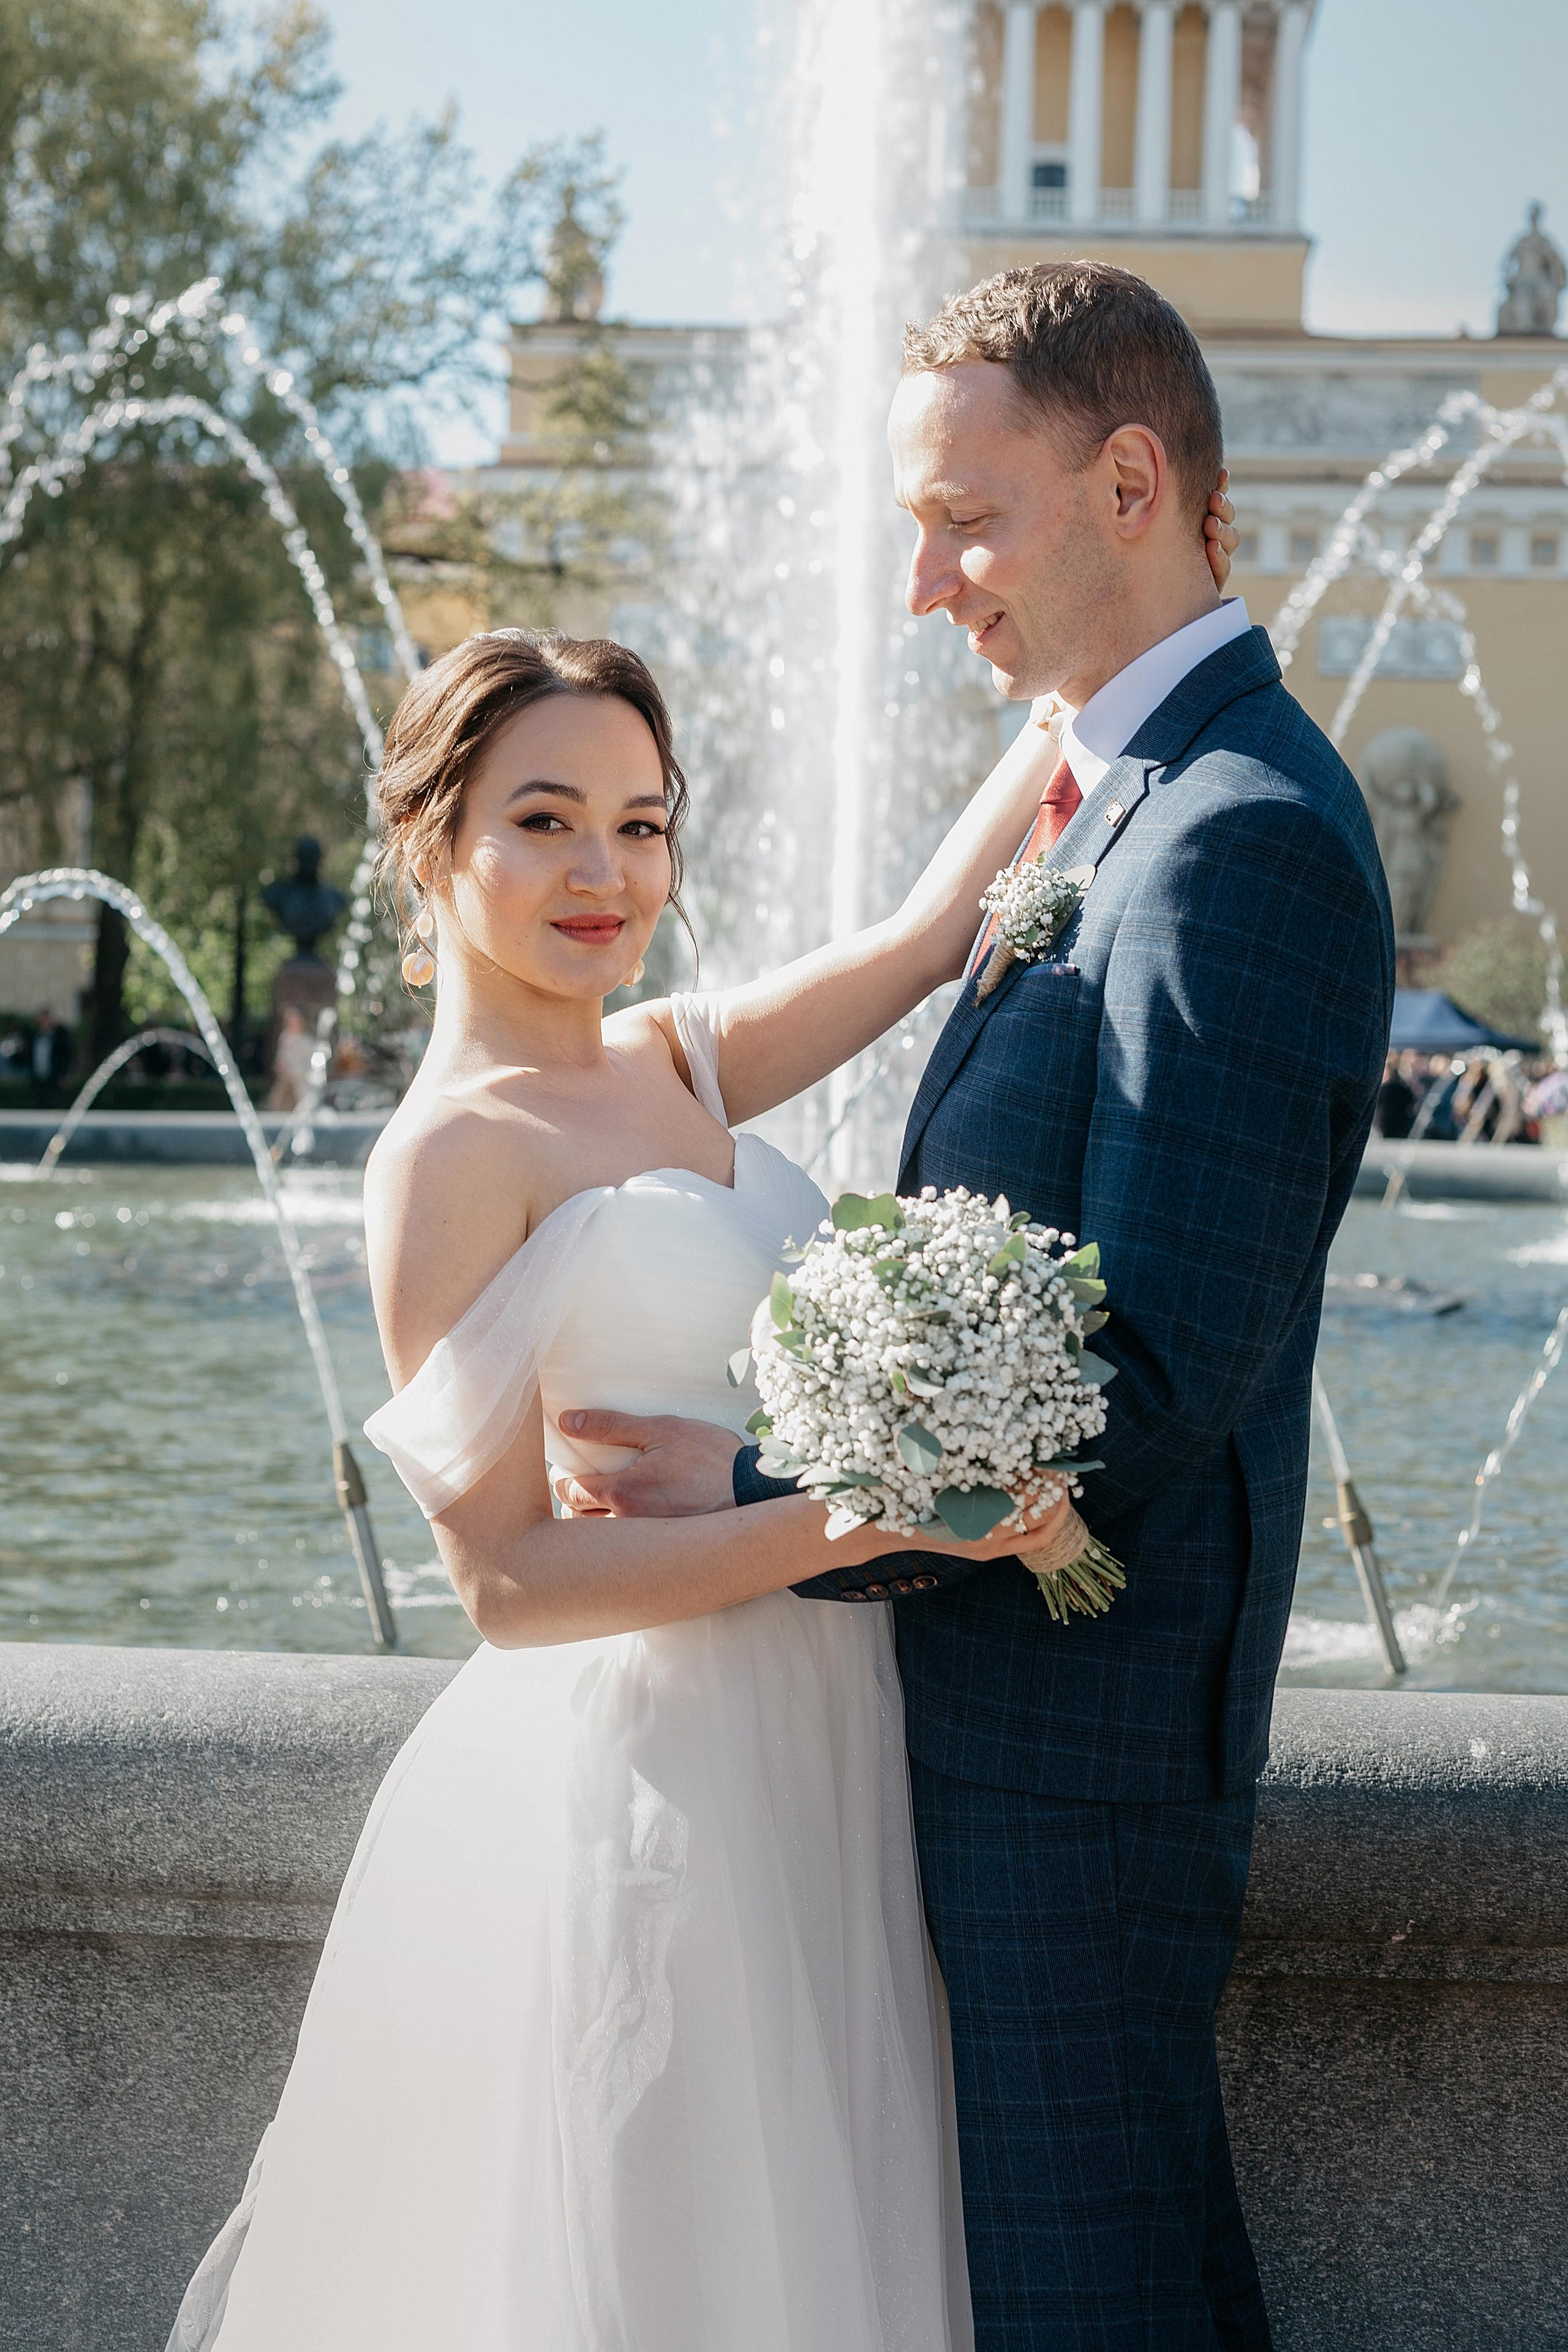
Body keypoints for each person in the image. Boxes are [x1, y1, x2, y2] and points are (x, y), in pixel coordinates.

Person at [165, 310, 1238, 2352]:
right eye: (546, 821)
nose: (605, 871)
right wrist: (869, 1513)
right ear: (440, 843)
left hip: (836, 1750)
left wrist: (1117, 667)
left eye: (643, 823)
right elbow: (500, 1582)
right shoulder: (448, 1157)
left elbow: (933, 937)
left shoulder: (678, 1061)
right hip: (651, 1775)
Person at [556, 263, 1395, 2349]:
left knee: (1085, 2300)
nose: (923, 584)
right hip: (1008, 1730)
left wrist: (751, 1495)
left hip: (1079, 1763)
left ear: (1132, 480)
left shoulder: (1238, 841)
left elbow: (1145, 1385)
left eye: (964, 516)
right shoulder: (1109, 801)